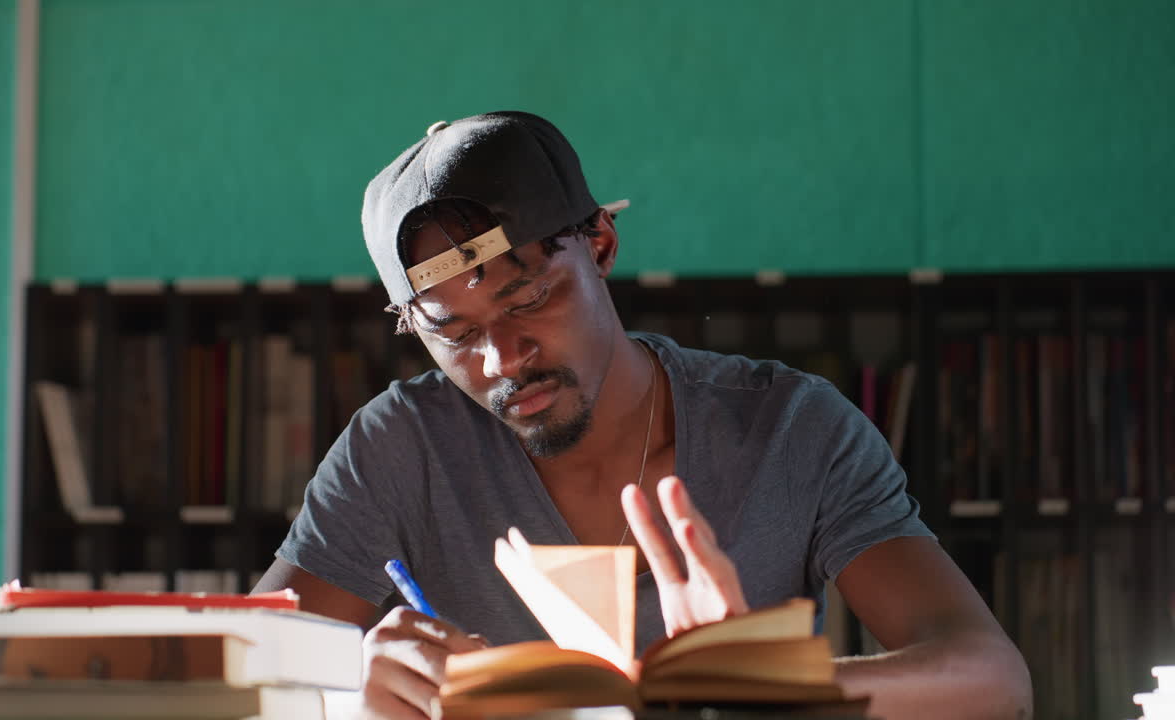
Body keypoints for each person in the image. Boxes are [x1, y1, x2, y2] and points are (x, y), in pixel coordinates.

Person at [254, 111, 1032, 720]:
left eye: (527, 298)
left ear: (600, 244)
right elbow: (242, 677)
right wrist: (348, 698)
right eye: (452, 333)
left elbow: (994, 682)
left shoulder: (791, 428)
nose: (501, 359)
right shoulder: (398, 449)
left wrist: (769, 690)